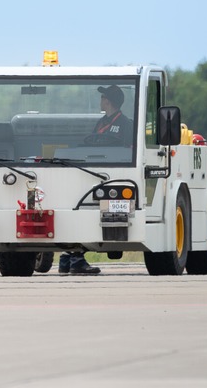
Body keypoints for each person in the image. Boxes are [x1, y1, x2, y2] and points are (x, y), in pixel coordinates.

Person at [58, 85, 131, 275]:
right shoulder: (101, 122)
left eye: (103, 97)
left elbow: (127, 149)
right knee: (75, 210)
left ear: (109, 101)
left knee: (86, 215)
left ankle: (75, 260)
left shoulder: (125, 124)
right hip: (92, 170)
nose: (101, 100)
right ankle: (67, 259)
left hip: (112, 173)